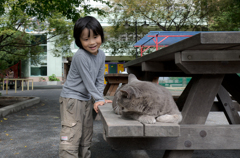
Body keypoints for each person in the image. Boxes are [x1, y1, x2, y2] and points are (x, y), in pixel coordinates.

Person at [59, 16, 112, 158]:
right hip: (72, 99)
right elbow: (88, 81)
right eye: (86, 39)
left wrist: (99, 99)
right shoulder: (80, 56)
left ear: (101, 35)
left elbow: (100, 79)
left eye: (95, 36)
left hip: (87, 99)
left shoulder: (101, 55)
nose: (92, 42)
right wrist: (98, 97)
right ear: (79, 41)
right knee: (72, 135)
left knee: (86, 135)